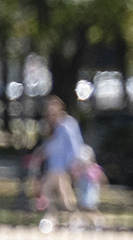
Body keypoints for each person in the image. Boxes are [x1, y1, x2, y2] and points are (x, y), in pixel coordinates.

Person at [26, 95, 88, 232]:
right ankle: (70, 218)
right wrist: (39, 155)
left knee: (50, 191)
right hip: (54, 167)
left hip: (62, 168)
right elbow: (51, 147)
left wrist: (74, 164)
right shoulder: (52, 128)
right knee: (62, 194)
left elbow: (74, 145)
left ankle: (53, 218)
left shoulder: (67, 125)